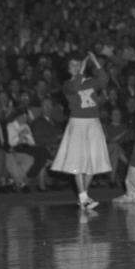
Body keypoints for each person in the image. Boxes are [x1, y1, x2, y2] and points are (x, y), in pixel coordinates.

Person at [51, 54, 112, 209]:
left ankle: (83, 196)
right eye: (73, 65)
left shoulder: (90, 82)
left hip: (93, 122)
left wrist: (95, 61)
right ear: (68, 69)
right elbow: (77, 86)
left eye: (78, 64)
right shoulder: (68, 84)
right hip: (77, 123)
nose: (77, 67)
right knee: (77, 160)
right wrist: (81, 70)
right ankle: (83, 197)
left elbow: (104, 79)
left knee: (93, 160)